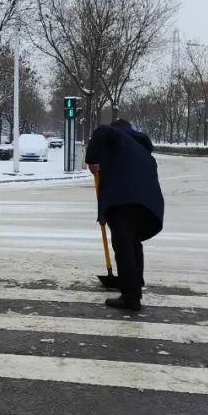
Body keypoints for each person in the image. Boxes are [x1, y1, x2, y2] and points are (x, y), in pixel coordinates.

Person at [85, 118, 164, 313]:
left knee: (124, 245)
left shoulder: (115, 135)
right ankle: (135, 288)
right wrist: (103, 211)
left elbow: (102, 131)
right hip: (148, 204)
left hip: (124, 200)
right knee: (133, 243)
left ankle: (130, 297)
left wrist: (91, 160)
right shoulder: (140, 147)